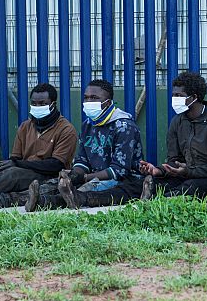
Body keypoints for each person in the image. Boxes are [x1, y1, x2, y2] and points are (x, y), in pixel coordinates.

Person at [24, 79, 142, 211]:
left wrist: (85, 177)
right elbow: (82, 160)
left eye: (94, 98)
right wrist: (74, 174)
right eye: (86, 98)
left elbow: (119, 170)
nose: (88, 102)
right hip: (93, 176)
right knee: (55, 184)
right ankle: (20, 199)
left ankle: (43, 202)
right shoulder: (88, 125)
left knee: (85, 189)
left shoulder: (124, 126)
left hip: (123, 180)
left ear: (107, 103)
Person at [0, 83, 77, 208]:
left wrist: (17, 165)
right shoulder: (25, 126)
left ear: (53, 105)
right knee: (3, 172)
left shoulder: (66, 130)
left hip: (50, 175)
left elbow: (56, 165)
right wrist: (5, 168)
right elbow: (16, 158)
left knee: (14, 174)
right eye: (34, 103)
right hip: (24, 172)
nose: (37, 107)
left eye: (42, 103)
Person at [138, 71, 207, 201]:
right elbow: (174, 160)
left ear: (193, 97)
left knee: (190, 187)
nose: (174, 99)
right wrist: (158, 170)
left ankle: (160, 200)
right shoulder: (177, 121)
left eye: (179, 95)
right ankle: (155, 195)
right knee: (143, 182)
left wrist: (189, 171)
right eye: (173, 95)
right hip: (184, 175)